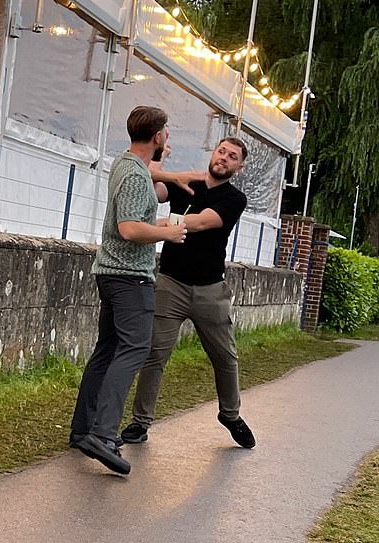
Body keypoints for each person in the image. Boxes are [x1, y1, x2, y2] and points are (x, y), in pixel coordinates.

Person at [69, 106, 202, 475]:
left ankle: (83, 431)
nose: (168, 140)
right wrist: (168, 233)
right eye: (167, 134)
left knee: (108, 350)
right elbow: (128, 228)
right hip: (129, 277)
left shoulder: (132, 167)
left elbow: (151, 197)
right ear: (157, 135)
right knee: (133, 350)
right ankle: (103, 434)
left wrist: (160, 213)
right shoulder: (132, 172)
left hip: (115, 276)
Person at [120, 137, 256, 449]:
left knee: (225, 356)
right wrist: (161, 159)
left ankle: (231, 415)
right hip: (171, 284)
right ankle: (140, 423)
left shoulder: (235, 199)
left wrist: (160, 225)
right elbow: (153, 188)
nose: (224, 158)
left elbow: (202, 222)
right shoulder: (186, 182)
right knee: (155, 353)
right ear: (214, 153)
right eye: (221, 151)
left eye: (232, 156)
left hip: (210, 290)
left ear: (239, 167)